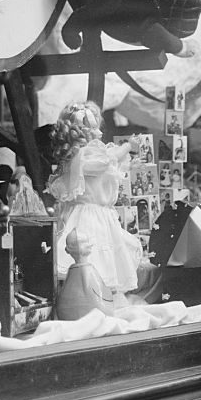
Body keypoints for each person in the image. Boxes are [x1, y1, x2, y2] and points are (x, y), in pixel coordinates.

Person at [46, 102, 143, 302]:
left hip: (93, 213)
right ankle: (88, 300)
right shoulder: (85, 153)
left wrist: (127, 162)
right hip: (89, 216)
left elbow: (106, 170)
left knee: (100, 260)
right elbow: (106, 160)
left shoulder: (83, 154)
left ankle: (97, 299)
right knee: (95, 258)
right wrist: (128, 146)